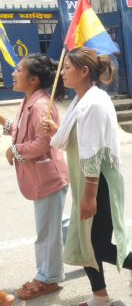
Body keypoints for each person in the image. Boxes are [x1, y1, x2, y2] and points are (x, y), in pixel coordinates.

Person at [41, 47, 132, 306]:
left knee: (96, 244)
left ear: (83, 71)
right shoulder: (81, 100)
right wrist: (57, 129)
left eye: (66, 67)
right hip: (86, 181)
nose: (61, 72)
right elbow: (76, 140)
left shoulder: (93, 103)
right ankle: (100, 295)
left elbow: (93, 153)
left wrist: (89, 196)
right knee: (87, 241)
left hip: (97, 182)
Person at [0, 54, 69, 300]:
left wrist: (14, 151)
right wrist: (2, 122)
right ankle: (90, 244)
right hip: (40, 175)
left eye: (18, 70)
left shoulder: (41, 104)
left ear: (33, 79)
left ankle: (48, 277)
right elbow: (20, 129)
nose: (13, 73)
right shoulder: (29, 99)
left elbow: (44, 141)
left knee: (47, 231)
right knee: (57, 224)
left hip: (48, 176)